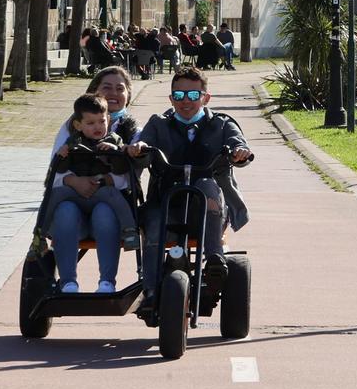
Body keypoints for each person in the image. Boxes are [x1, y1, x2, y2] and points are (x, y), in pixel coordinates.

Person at [126, 67, 253, 313]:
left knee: (206, 185)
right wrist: (139, 148)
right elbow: (142, 146)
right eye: (179, 95)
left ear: (206, 98)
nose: (186, 101)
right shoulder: (158, 124)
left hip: (207, 211)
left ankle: (215, 259)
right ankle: (150, 291)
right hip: (167, 205)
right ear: (171, 98)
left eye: (194, 95)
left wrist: (239, 153)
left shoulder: (222, 124)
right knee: (152, 223)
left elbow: (239, 145)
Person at [39, 94, 141, 294]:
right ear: (78, 124)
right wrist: (64, 156)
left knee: (106, 207)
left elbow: (125, 173)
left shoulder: (118, 137)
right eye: (91, 123)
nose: (97, 127)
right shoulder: (71, 139)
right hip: (76, 203)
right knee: (62, 204)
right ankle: (66, 278)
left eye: (102, 121)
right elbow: (55, 175)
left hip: (103, 198)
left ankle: (108, 280)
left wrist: (114, 153)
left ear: (108, 120)